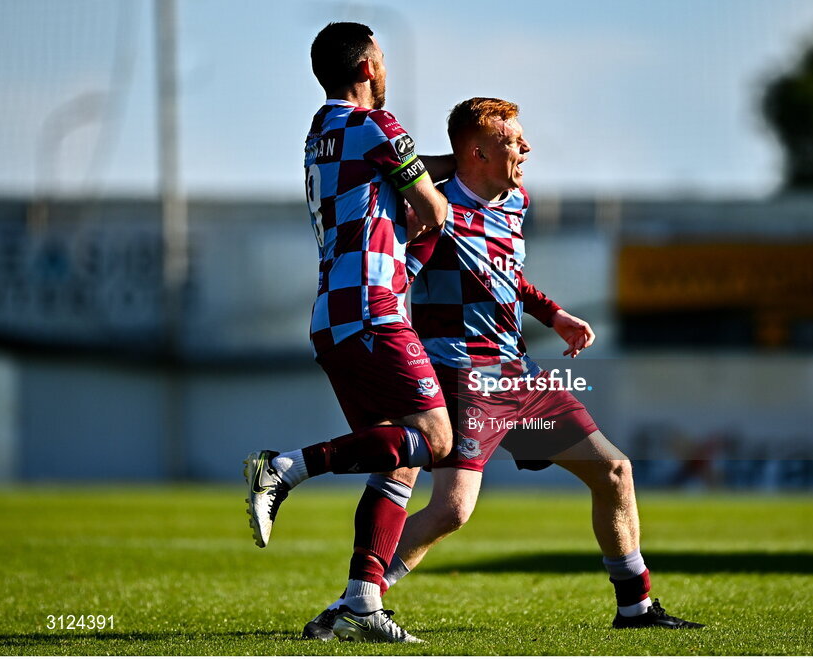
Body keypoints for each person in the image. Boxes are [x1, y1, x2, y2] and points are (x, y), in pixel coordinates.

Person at [339, 97, 705, 630]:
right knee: (452, 511)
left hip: (520, 374)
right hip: (465, 377)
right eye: (514, 140)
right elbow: (389, 280)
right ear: (479, 152)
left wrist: (553, 314)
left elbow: (506, 274)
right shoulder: (427, 211)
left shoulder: (515, 201)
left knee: (614, 471)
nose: (526, 147)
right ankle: (358, 601)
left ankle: (636, 607)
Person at [243, 22, 456, 644]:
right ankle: (285, 467)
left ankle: (362, 601)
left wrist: (436, 178)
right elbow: (434, 207)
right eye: (383, 60)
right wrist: (444, 203)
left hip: (335, 313)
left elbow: (397, 171)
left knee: (398, 461)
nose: (387, 71)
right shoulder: (378, 128)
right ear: (367, 66)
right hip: (371, 309)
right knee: (436, 441)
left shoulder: (322, 133)